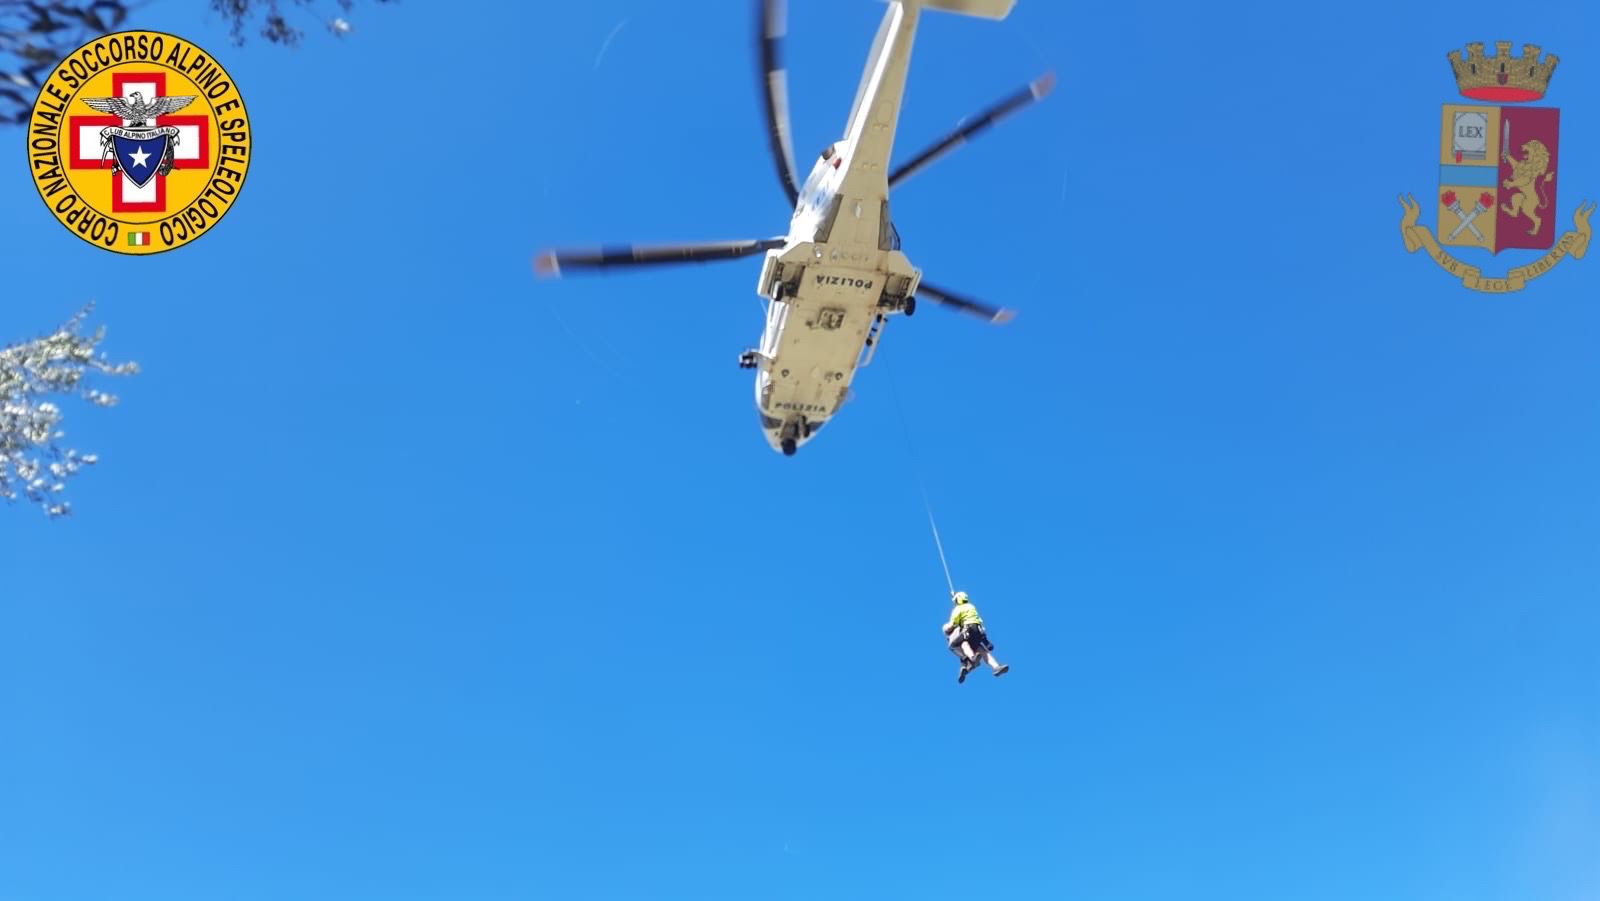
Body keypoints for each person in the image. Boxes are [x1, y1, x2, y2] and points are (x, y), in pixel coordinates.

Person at [942, 590, 1008, 682]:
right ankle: (996, 666)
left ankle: (971, 658)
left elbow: (953, 624)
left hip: (968, 629)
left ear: (958, 600)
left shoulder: (958, 609)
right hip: (978, 631)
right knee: (982, 650)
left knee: (956, 645)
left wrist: (946, 629)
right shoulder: (971, 606)